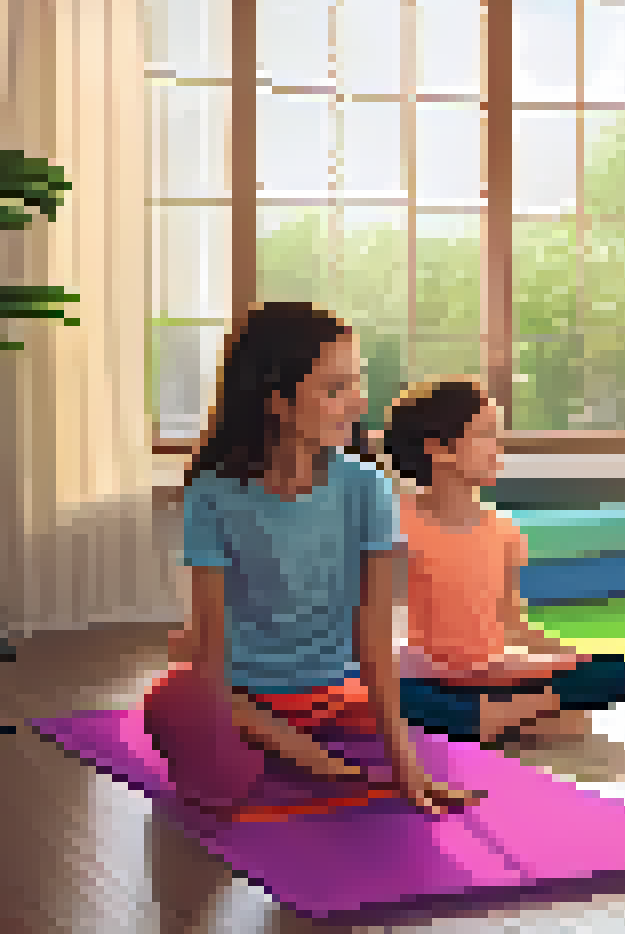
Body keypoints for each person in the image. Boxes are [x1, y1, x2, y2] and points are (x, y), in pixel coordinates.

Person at [152, 302, 477, 817]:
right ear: (277, 402)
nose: (356, 402)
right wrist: (222, 719)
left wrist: (404, 763)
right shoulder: (211, 495)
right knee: (173, 710)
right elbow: (210, 644)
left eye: (357, 383)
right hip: (245, 696)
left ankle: (290, 751)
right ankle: (278, 744)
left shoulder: (365, 484)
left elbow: (374, 633)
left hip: (336, 695)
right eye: (334, 389)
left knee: (421, 731)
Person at [383, 377, 625, 748]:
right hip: (423, 673)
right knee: (377, 692)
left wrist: (572, 656)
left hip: (490, 673)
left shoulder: (503, 531)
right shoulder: (394, 522)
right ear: (438, 449)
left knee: (618, 672)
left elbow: (511, 625)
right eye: (486, 434)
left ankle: (494, 717)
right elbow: (370, 616)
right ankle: (512, 718)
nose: (497, 448)